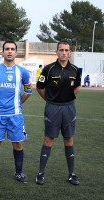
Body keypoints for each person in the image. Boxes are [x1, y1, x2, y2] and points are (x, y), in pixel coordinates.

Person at [0, 40, 32, 183]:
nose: (10, 51)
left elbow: (28, 90)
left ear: (16, 52)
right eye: (7, 49)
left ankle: (19, 173)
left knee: (18, 143)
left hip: (15, 115)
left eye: (12, 49)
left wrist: (18, 104)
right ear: (2, 52)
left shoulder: (23, 72)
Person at [35, 40, 81, 186]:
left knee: (69, 138)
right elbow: (40, 87)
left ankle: (71, 174)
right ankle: (40, 174)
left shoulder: (75, 69)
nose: (64, 53)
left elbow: (77, 87)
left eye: (67, 50)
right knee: (49, 139)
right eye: (61, 50)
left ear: (70, 52)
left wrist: (67, 98)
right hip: (52, 108)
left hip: (69, 108)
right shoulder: (48, 69)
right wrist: (49, 100)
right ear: (56, 52)